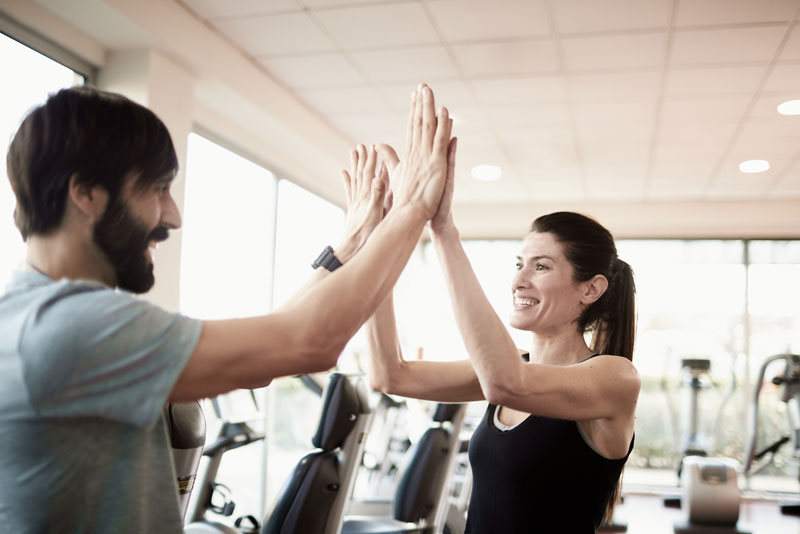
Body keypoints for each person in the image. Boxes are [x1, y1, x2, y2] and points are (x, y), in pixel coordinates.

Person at [0, 83, 454, 533]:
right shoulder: (66, 326)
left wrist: (350, 246)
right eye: (157, 190)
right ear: (88, 194)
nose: (173, 215)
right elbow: (308, 341)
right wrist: (412, 208)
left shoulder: (39, 316)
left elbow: (272, 346)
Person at [365, 143, 641, 533]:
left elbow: (503, 383)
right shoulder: (515, 366)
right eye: (519, 265)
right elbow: (389, 375)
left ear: (591, 289)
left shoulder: (615, 378)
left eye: (541, 266)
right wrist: (378, 241)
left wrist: (443, 229)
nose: (518, 281)